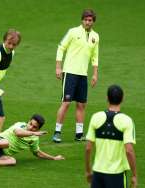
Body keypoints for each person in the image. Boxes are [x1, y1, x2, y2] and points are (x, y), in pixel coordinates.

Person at [52, 9, 100, 143]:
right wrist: (58, 67)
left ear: (93, 22)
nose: (87, 22)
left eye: (90, 20)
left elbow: (95, 57)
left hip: (83, 75)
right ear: (82, 20)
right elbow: (61, 47)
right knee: (66, 103)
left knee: (81, 104)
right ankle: (57, 132)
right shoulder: (73, 32)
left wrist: (95, 74)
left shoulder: (95, 37)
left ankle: (79, 134)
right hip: (70, 73)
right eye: (85, 20)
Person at [85, 85, 137, 188]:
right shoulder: (126, 121)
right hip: (116, 174)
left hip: (97, 173)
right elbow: (129, 150)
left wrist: (88, 170)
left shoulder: (96, 117)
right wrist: (134, 175)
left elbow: (88, 148)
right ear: (122, 99)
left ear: (107, 98)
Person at [0, 114, 65, 166]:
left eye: (34, 127)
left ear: (39, 129)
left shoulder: (34, 139)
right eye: (30, 124)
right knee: (6, 143)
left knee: (12, 161)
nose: (30, 127)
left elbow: (37, 153)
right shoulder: (21, 124)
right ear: (28, 121)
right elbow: (18, 133)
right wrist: (33, 133)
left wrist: (53, 158)